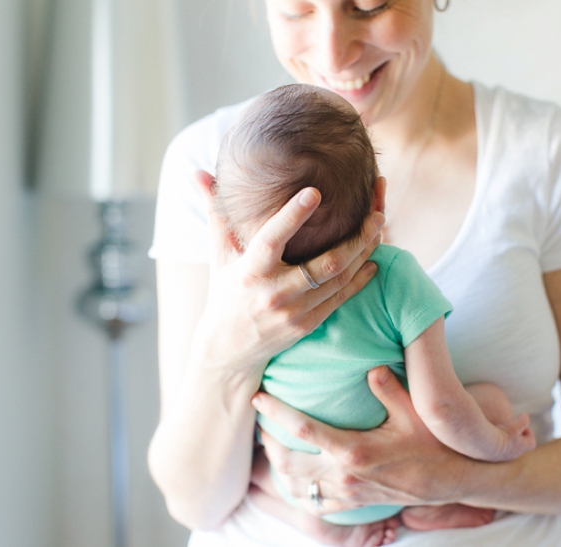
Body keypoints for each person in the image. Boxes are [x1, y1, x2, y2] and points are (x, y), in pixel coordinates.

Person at [147, 1, 561, 546]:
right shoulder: (208, 165)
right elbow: (192, 499)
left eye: (369, 4)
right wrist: (233, 346)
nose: (333, 50)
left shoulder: (550, 154)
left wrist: (449, 478)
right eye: (296, 10)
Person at [209, 82, 535, 545]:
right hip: (400, 484)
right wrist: (501, 445)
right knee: (491, 402)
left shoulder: (252, 298)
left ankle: (332, 528)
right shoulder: (394, 275)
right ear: (379, 201)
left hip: (298, 483)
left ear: (239, 238)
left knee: (264, 446)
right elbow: (441, 407)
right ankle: (430, 509)